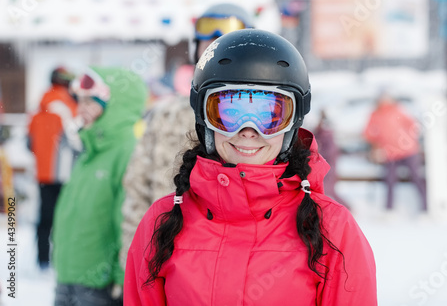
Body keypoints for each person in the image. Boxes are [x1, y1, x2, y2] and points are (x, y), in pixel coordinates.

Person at [124, 29, 377, 305]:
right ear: (204, 119)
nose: (248, 130)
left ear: (293, 123)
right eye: (229, 113)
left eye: (269, 115)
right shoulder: (162, 222)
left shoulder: (332, 229)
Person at [119, 3, 254, 269]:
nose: (216, 49)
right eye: (208, 42)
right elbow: (136, 194)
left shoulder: (260, 121)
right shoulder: (166, 115)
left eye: (225, 41)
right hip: (166, 262)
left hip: (232, 265)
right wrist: (134, 268)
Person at [52, 67, 147, 305]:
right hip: (68, 276)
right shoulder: (89, 151)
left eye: (91, 101)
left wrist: (121, 277)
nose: (81, 107)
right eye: (80, 100)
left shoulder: (127, 152)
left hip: (100, 285)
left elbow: (127, 220)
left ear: (116, 105)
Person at [27, 66, 79, 270]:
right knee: (65, 219)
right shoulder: (70, 106)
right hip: (67, 173)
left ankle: (42, 259)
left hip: (44, 173)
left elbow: (29, 142)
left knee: (45, 218)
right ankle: (61, 259)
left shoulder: (39, 107)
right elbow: (78, 140)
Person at [363, 90, 427, 212]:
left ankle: (425, 208)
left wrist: (409, 138)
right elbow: (367, 133)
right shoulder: (375, 114)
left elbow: (413, 125)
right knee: (389, 180)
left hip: (408, 151)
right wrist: (376, 142)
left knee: (416, 178)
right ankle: (389, 209)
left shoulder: (397, 110)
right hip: (390, 153)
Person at [313, 108, 351, 210]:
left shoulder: (327, 135)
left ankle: (346, 208)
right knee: (326, 191)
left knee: (328, 190)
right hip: (323, 167)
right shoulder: (319, 133)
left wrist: (318, 154)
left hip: (328, 168)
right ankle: (344, 208)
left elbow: (329, 152)